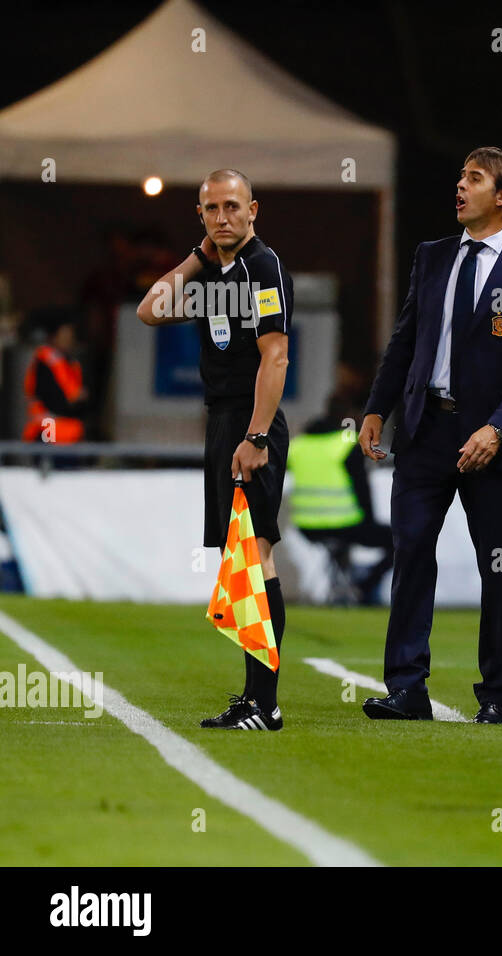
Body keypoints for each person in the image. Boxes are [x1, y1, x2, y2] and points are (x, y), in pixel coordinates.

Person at [357, 147, 502, 725]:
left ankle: (495, 691)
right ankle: (406, 689)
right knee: (412, 554)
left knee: (498, 567)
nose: (460, 186)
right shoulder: (433, 256)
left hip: (491, 442)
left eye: (474, 178)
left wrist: (497, 428)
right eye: (460, 176)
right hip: (424, 432)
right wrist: (377, 408)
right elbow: (405, 341)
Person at [135, 168, 292, 731]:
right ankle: (254, 698)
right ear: (200, 217)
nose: (223, 217)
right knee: (243, 561)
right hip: (225, 423)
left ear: (254, 210)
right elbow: (150, 309)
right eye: (211, 210)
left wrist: (255, 437)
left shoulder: (262, 267)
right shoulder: (215, 273)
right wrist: (197, 255)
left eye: (232, 207)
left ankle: (265, 702)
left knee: (258, 557)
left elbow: (276, 357)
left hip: (250, 427)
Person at [287, 396, 395, 604]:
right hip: (346, 524)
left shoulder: (298, 445)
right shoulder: (346, 445)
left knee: (342, 546)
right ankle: (364, 586)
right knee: (400, 542)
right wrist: (368, 521)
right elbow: (361, 489)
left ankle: (348, 583)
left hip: (307, 528)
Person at [22, 310, 89, 444]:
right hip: (48, 432)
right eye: (65, 333)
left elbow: (84, 401)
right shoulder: (44, 362)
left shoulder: (70, 363)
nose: (69, 338)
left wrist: (76, 402)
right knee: (49, 463)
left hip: (70, 434)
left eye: (71, 333)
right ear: (54, 336)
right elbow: (51, 398)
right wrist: (72, 402)